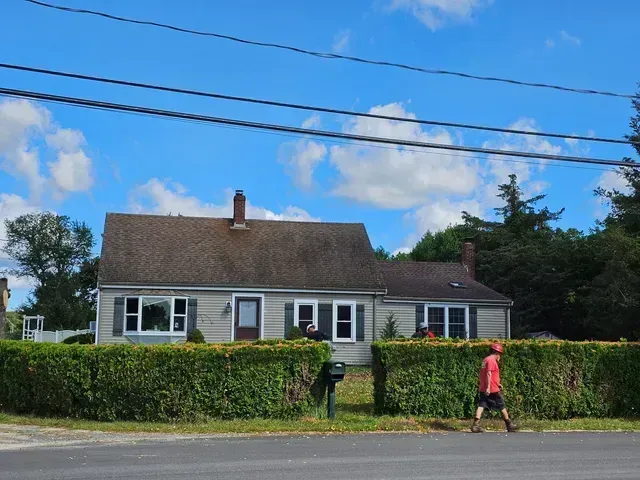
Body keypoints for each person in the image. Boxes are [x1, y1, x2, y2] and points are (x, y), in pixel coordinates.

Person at [471, 343, 518, 433]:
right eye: (500, 354)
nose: (500, 356)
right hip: (491, 389)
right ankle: (509, 425)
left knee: (481, 405)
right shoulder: (492, 360)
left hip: (484, 387)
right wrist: (489, 387)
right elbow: (489, 373)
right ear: (497, 352)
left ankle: (475, 425)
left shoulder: (485, 360)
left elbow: (485, 374)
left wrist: (498, 383)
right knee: (501, 405)